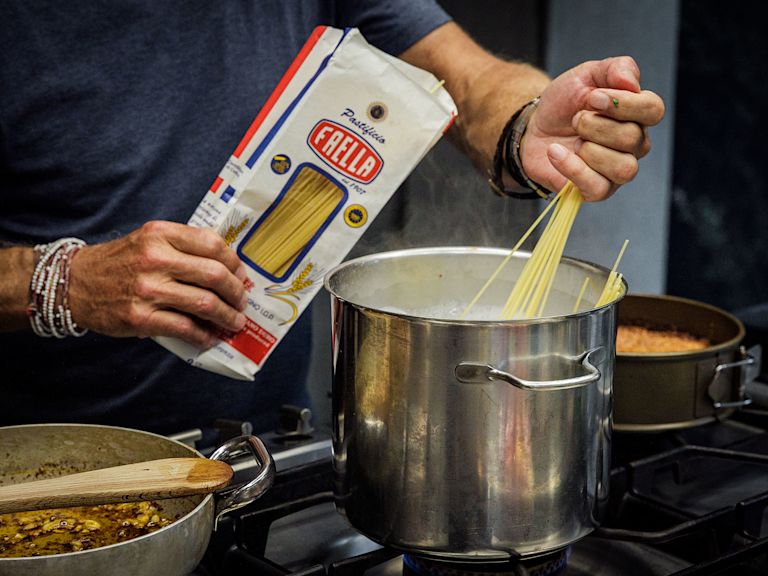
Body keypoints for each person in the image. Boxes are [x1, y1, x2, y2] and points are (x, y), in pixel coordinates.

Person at [0, 2, 664, 443]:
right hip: (48, 464)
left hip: (263, 449)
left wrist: (527, 124)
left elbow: (464, 76)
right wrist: (58, 282)